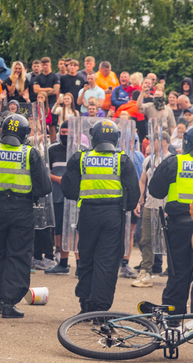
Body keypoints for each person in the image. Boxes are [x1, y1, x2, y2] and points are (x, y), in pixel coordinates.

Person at [0, 114, 52, 318]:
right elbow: (45, 187)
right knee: (18, 255)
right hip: (22, 209)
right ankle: (10, 303)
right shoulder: (30, 153)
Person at [61, 120, 139, 313]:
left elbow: (69, 190)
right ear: (115, 138)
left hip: (88, 214)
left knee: (87, 258)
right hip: (113, 216)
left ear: (93, 137)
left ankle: (85, 305)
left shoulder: (80, 158)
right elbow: (133, 195)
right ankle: (100, 309)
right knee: (107, 261)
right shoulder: (122, 160)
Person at [147, 126, 193, 322]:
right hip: (182, 224)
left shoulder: (175, 162)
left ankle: (173, 323)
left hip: (181, 226)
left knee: (179, 273)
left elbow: (155, 191)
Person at [132, 131, 171, 288]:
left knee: (170, 240)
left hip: (167, 207)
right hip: (150, 205)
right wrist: (139, 199)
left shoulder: (171, 160)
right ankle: (145, 272)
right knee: (145, 238)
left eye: (152, 141)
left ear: (163, 142)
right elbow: (143, 180)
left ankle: (175, 272)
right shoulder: (148, 160)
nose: (149, 145)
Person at [45, 119, 71, 275]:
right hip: (57, 195)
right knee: (60, 229)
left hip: (75, 198)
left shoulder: (81, 149)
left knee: (75, 231)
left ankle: (80, 264)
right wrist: (61, 180)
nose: (65, 135)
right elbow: (45, 173)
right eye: (63, 133)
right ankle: (63, 263)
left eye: (68, 133)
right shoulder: (52, 150)